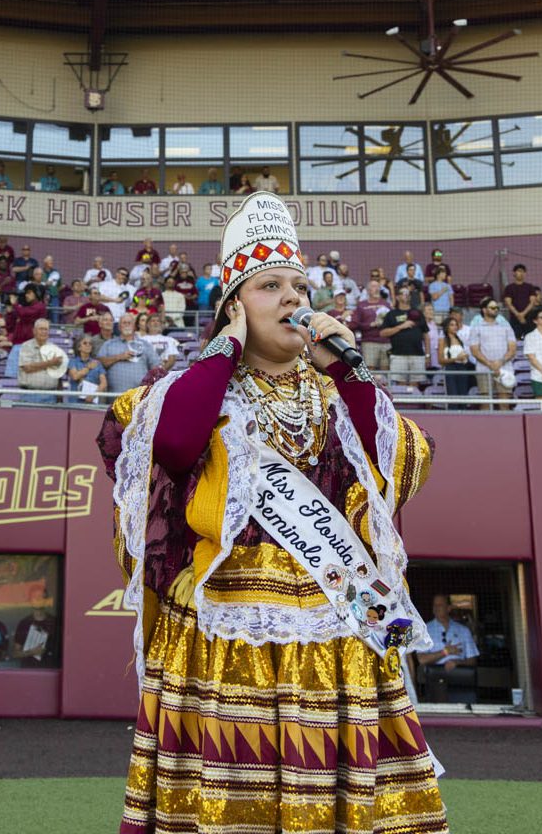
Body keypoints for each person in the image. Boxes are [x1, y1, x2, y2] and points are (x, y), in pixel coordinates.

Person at [98, 195, 445, 832]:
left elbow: (399, 467)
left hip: (333, 626)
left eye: (300, 286)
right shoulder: (192, 388)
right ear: (234, 305)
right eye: (270, 286)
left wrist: (349, 365)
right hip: (227, 628)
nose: (294, 299)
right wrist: (225, 351)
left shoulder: (334, 391)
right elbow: (172, 445)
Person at [416, 595, 479, 703]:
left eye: (440, 605)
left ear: (448, 608)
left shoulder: (463, 630)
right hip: (435, 681)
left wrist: (457, 662)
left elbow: (473, 660)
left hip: (460, 680)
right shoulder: (425, 630)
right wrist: (445, 652)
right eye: (434, 605)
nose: (436, 608)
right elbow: (421, 659)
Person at [470, 299, 517, 410]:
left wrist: (500, 362)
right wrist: (490, 364)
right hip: (484, 368)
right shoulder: (476, 328)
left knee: (505, 403)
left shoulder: (506, 327)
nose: (495, 310)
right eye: (492, 308)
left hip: (505, 368)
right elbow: (474, 350)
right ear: (484, 310)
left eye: (497, 308)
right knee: (486, 402)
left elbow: (512, 349)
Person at [97, 311, 159, 393]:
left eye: (129, 323)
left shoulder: (145, 345)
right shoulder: (109, 344)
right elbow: (100, 363)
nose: (127, 325)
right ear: (119, 327)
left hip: (139, 396)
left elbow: (156, 367)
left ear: (134, 327)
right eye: (124, 323)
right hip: (116, 395)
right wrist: (119, 357)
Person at [379, 285, 428, 387]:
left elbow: (426, 335)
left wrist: (427, 355)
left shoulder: (418, 313)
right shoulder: (392, 314)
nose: (406, 295)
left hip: (417, 354)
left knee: (415, 385)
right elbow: (383, 333)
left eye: (408, 293)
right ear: (397, 297)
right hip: (398, 354)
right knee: (400, 385)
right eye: (403, 293)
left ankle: (414, 404)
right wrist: (401, 326)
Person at [9, 587, 59, 668]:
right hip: (29, 672)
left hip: (51, 671)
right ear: (30, 601)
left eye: (41, 596)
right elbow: (15, 653)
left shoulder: (55, 623)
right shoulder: (24, 624)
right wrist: (31, 652)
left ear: (46, 600)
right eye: (35, 597)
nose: (38, 599)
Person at [17, 318, 66, 394]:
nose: (44, 332)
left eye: (46, 329)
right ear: (34, 331)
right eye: (41, 329)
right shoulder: (26, 346)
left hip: (51, 395)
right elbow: (27, 368)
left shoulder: (54, 348)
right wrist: (50, 363)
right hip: (30, 394)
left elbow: (58, 374)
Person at [438, 312, 473, 407]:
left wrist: (464, 357)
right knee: (452, 394)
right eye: (452, 325)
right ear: (447, 327)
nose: (454, 327)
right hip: (450, 368)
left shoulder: (460, 339)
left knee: (463, 394)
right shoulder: (443, 340)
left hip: (462, 368)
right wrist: (456, 359)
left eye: (456, 325)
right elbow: (440, 360)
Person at [65, 333, 107, 403]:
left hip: (91, 403)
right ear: (79, 347)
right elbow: (75, 376)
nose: (88, 345)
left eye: (90, 344)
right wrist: (88, 367)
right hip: (75, 403)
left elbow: (104, 383)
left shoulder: (97, 363)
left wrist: (93, 395)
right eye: (85, 343)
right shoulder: (72, 362)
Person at [502, 264, 536, 337]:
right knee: (515, 339)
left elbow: (532, 302)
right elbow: (508, 303)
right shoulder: (509, 288)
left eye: (523, 272)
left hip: (528, 318)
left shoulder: (530, 287)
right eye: (519, 271)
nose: (521, 273)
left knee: (530, 338)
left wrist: (523, 314)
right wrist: (518, 315)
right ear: (514, 273)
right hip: (514, 319)